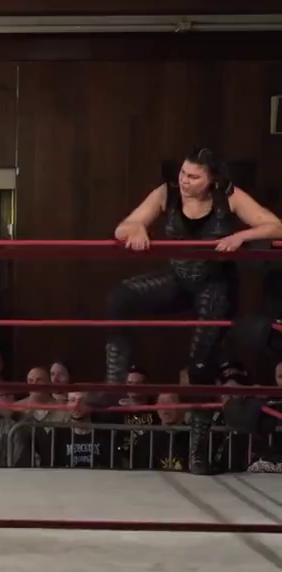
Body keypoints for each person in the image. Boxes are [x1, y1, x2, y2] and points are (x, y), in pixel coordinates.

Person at [110, 147, 282, 473]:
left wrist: (241, 236)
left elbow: (276, 226)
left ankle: (198, 453)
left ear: (211, 179)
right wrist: (137, 229)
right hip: (179, 278)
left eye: (193, 176)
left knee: (200, 366)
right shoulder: (167, 193)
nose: (185, 181)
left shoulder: (228, 196)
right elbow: (124, 226)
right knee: (122, 296)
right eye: (183, 173)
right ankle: (114, 375)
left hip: (215, 285)